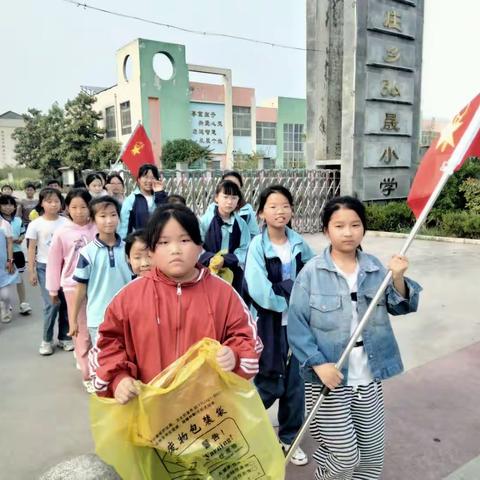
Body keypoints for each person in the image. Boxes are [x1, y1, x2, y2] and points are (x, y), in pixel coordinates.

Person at [287, 196, 422, 480]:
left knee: (372, 457)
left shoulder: (374, 268)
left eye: (355, 225)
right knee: (345, 455)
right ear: (326, 230)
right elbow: (297, 327)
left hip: (368, 376)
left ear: (363, 229)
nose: (347, 232)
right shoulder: (312, 272)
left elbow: (401, 306)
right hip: (330, 378)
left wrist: (397, 278)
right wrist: (319, 365)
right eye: (339, 226)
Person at [89, 203, 262, 403]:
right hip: (149, 413)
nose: (175, 250)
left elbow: (248, 338)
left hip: (209, 413)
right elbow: (107, 345)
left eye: (184, 240)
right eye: (164, 242)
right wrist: (119, 379)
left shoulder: (223, 294)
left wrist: (235, 354)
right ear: (151, 251)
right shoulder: (128, 298)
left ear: (199, 246)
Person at [244, 185, 315, 466]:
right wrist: (288, 302)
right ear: (261, 212)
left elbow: (313, 275)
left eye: (285, 205)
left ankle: (289, 438)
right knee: (268, 382)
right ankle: (249, 432)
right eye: (272, 206)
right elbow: (258, 289)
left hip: (297, 327)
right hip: (269, 326)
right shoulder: (257, 246)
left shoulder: (299, 243)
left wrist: (304, 306)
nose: (280, 211)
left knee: (296, 385)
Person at [46, 189, 97, 392]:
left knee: (98, 330)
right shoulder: (62, 232)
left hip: (97, 284)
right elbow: (54, 262)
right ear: (67, 208)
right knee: (81, 330)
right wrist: (52, 289)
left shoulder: (98, 227)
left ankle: (96, 363)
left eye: (83, 207)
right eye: (74, 207)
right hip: (72, 286)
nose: (79, 212)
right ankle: (87, 373)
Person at [71, 196, 131, 346]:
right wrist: (73, 320)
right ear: (93, 219)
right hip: (99, 318)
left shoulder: (129, 249)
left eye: (113, 215)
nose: (109, 220)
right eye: (103, 216)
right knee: (104, 362)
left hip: (128, 316)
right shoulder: (87, 252)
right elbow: (80, 289)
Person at [26, 187, 71, 355]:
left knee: (66, 303)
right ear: (42, 203)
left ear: (61, 204)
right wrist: (31, 271)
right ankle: (46, 340)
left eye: (56, 201)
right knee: (52, 304)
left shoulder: (66, 222)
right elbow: (31, 249)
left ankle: (64, 338)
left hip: (65, 267)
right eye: (49, 201)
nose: (53, 204)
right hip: (44, 267)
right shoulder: (35, 224)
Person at [199, 180, 250, 294]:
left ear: (238, 201)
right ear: (216, 198)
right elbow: (196, 245)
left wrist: (227, 260)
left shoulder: (241, 224)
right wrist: (210, 259)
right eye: (225, 197)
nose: (229, 202)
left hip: (233, 273)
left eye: (233, 198)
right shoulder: (205, 220)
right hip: (207, 270)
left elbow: (244, 249)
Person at [0, 195, 32, 315]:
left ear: (15, 207)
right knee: (5, 281)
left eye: (10, 205)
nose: (8, 207)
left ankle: (23, 303)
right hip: (3, 255)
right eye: (4, 204)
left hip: (17, 252)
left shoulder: (18, 220)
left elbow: (23, 233)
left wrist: (20, 238)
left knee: (19, 279)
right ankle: (6, 304)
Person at [204, 171, 260, 239]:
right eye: (227, 184)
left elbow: (254, 234)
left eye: (235, 186)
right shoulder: (212, 208)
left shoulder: (247, 210)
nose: (231, 188)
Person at [118, 164, 167, 239]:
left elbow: (166, 215)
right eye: (146, 177)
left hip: (159, 240)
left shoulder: (161, 196)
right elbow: (124, 226)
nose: (149, 181)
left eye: (153, 177)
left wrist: (159, 193)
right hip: (139, 241)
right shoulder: (131, 200)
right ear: (139, 179)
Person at [0, 226, 18, 324]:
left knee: (5, 295)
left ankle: (5, 307)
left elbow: (10, 243)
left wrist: (10, 260)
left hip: (2, 266)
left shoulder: (4, 224)